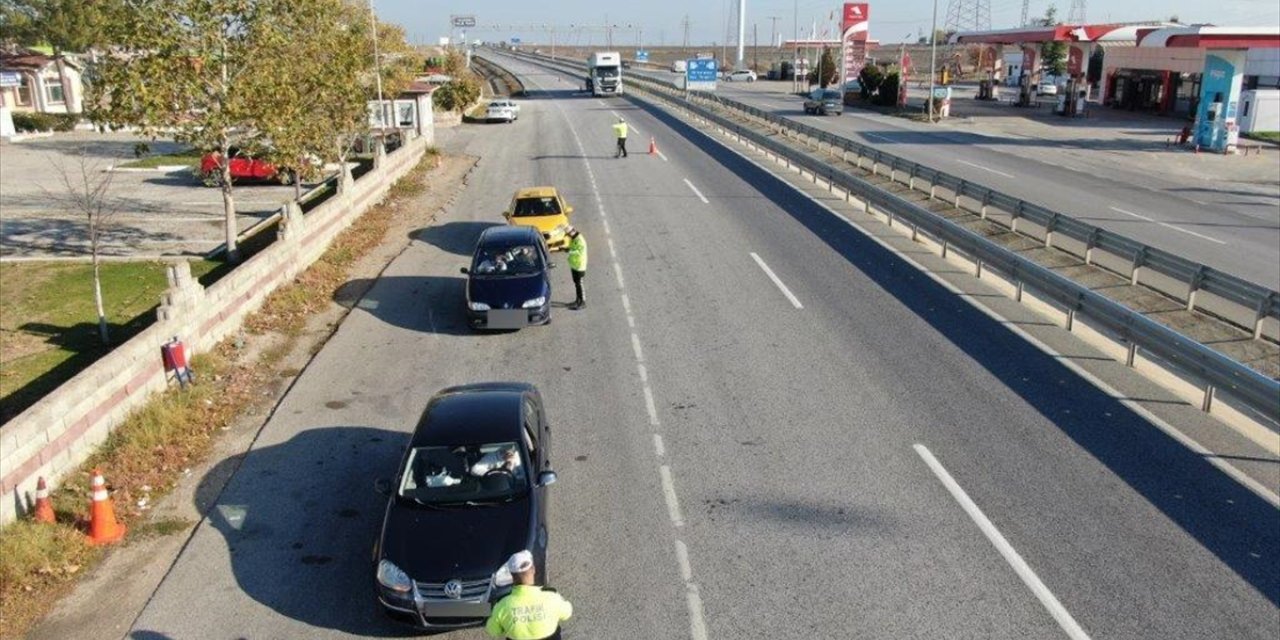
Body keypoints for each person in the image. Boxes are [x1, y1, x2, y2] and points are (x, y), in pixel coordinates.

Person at [485, 550, 572, 640]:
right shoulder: (552, 598)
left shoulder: (502, 606)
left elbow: (493, 631)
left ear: (512, 575)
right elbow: (567, 613)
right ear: (533, 569)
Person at [566, 227, 588, 309]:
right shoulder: (574, 238)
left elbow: (578, 252)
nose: (568, 236)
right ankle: (578, 300)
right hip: (574, 265)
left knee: (580, 284)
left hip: (579, 266)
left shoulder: (580, 240)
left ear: (572, 232)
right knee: (576, 284)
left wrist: (568, 251)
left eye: (568, 234)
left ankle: (582, 302)